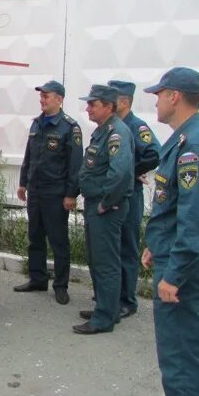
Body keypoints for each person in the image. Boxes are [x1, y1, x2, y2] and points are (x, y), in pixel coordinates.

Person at [141, 67, 199, 396]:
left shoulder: (196, 145)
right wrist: (156, 245)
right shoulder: (186, 138)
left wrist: (175, 274)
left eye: (159, 95)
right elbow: (175, 206)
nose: (156, 102)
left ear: (174, 96)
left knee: (179, 358)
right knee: (184, 354)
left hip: (184, 267)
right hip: (175, 255)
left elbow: (197, 220)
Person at [13, 80, 82, 305]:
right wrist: (23, 183)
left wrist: (71, 194)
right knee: (35, 236)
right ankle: (37, 278)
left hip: (55, 193)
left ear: (59, 99)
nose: (42, 100)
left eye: (46, 96)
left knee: (58, 240)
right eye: (41, 96)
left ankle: (61, 285)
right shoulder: (37, 124)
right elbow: (29, 157)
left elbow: (75, 165)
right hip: (36, 190)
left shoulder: (70, 127)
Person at [75, 85, 134, 334]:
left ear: (108, 106)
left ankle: (104, 318)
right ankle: (105, 307)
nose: (88, 108)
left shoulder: (116, 133)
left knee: (106, 263)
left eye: (93, 104)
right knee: (97, 260)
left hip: (105, 208)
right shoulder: (102, 132)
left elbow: (120, 173)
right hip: (95, 205)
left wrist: (105, 202)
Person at [108, 80, 161, 319]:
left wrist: (132, 170)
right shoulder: (113, 125)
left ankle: (127, 300)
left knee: (127, 248)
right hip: (115, 194)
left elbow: (154, 153)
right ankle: (112, 295)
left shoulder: (136, 126)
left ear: (124, 101)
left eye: (112, 99)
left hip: (130, 195)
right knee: (114, 247)